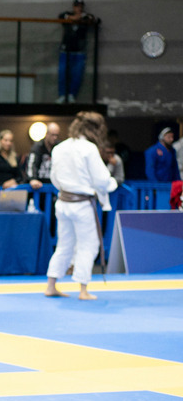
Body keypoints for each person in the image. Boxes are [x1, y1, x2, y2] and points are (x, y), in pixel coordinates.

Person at [45, 111, 118, 300]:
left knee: (64, 245)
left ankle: (51, 285)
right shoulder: (89, 149)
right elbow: (101, 179)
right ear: (95, 130)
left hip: (63, 202)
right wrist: (112, 183)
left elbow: (54, 178)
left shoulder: (59, 148)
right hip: (82, 203)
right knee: (89, 244)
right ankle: (83, 289)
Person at [56, 0, 98, 104]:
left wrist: (81, 18)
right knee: (63, 73)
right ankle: (62, 95)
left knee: (77, 75)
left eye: (80, 6)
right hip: (66, 50)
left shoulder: (86, 17)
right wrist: (74, 18)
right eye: (76, 6)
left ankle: (72, 95)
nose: (78, 8)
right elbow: (61, 16)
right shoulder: (67, 14)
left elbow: (92, 19)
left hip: (79, 51)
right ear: (73, 7)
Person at [25, 122, 60, 189]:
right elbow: (31, 164)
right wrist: (32, 179)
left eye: (57, 135)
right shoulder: (37, 147)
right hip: (39, 185)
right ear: (47, 134)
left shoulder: (59, 147)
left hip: (54, 185)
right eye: (52, 135)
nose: (55, 137)